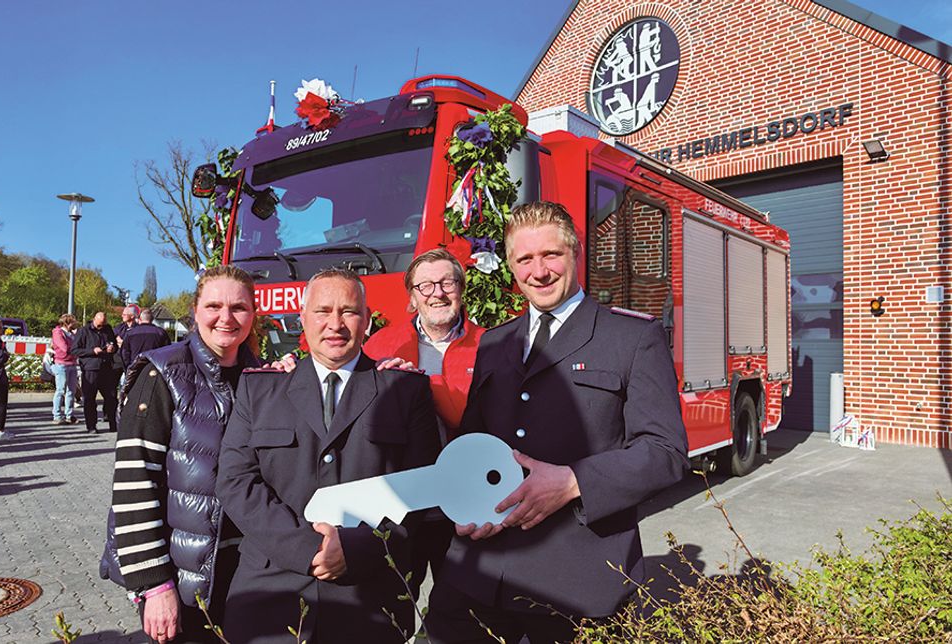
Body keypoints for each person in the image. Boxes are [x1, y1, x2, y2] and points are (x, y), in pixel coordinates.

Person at [426, 201, 689, 643]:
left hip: (581, 577)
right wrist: (465, 506)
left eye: (552, 255)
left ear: (575, 253)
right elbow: (474, 443)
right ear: (510, 266)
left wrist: (572, 481)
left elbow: (665, 453)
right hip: (481, 572)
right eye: (525, 259)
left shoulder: (631, 338)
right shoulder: (495, 342)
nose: (540, 271)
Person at [216, 268, 441, 644]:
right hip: (271, 593)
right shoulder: (260, 389)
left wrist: (355, 549)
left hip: (369, 596)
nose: (335, 324)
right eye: (322, 311)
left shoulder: (405, 391)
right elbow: (236, 481)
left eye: (349, 311)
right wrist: (307, 550)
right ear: (303, 318)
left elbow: (419, 491)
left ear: (367, 320)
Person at [102, 265, 264, 644]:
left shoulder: (262, 376)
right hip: (178, 575)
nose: (226, 318)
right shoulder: (162, 374)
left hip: (242, 571)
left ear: (253, 314)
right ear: (195, 312)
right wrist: (153, 585)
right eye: (214, 306)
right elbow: (133, 482)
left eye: (239, 308)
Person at [363, 248, 485, 581]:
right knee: (394, 608)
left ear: (460, 290)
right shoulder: (379, 346)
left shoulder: (491, 345)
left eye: (447, 283)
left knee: (465, 615)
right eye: (426, 286)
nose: (438, 294)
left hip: (466, 505)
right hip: (403, 505)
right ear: (413, 297)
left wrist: (421, 381)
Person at [72, 312, 121, 433]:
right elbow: (74, 350)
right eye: (99, 324)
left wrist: (113, 348)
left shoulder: (108, 329)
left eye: (103, 324)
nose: (102, 326)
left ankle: (113, 424)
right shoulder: (84, 331)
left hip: (107, 368)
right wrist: (92, 351)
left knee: (111, 398)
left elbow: (114, 344)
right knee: (89, 399)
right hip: (91, 369)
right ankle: (91, 426)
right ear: (94, 320)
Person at [51, 313, 79, 425]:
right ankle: (57, 415)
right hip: (61, 364)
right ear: (67, 323)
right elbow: (64, 348)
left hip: (72, 364)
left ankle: (69, 414)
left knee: (71, 391)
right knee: (60, 390)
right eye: (73, 322)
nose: (75, 324)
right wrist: (77, 349)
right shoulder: (58, 333)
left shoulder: (72, 334)